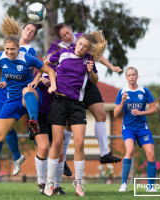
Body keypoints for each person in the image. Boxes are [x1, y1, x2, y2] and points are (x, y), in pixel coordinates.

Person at [0, 14, 56, 186]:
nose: (9, 52)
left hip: (30, 96)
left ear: (18, 48)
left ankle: (33, 121)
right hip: (11, 100)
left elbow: (49, 70)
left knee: (26, 90)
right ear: (4, 48)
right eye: (7, 49)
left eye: (12, 49)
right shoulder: (0, 57)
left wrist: (52, 84)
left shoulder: (27, 57)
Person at [48, 23, 121, 168]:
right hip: (70, 87)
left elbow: (97, 54)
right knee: (68, 127)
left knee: (101, 115)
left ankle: (104, 153)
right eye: (64, 36)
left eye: (68, 33)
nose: (68, 36)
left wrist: (111, 66)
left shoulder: (82, 38)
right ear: (59, 38)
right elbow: (49, 61)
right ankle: (63, 159)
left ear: (71, 29)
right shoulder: (57, 46)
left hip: (87, 82)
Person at [43, 31, 107, 197]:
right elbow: (45, 63)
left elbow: (94, 81)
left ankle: (78, 182)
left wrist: (91, 71)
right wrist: (45, 79)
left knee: (79, 144)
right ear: (76, 43)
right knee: (56, 142)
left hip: (77, 104)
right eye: (80, 44)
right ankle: (49, 182)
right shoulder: (63, 53)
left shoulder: (89, 60)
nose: (81, 48)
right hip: (58, 101)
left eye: (85, 47)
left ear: (88, 49)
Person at [113, 67, 157, 192]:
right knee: (130, 150)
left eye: (133, 75)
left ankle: (151, 187)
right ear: (126, 78)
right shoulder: (122, 92)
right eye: (129, 75)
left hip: (143, 128)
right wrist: (122, 102)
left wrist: (141, 112)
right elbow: (116, 114)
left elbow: (154, 109)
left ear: (137, 76)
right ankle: (123, 184)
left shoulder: (144, 91)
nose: (131, 77)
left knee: (151, 153)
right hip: (128, 128)